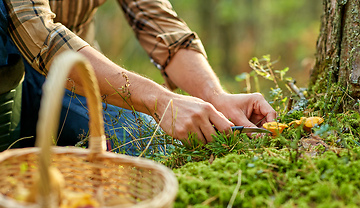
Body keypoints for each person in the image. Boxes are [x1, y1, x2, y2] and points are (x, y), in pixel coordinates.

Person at [2, 0, 276, 155]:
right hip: (9, 69)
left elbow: (161, 25)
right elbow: (40, 33)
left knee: (156, 148)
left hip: (78, 77)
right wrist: (158, 99)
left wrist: (216, 97)